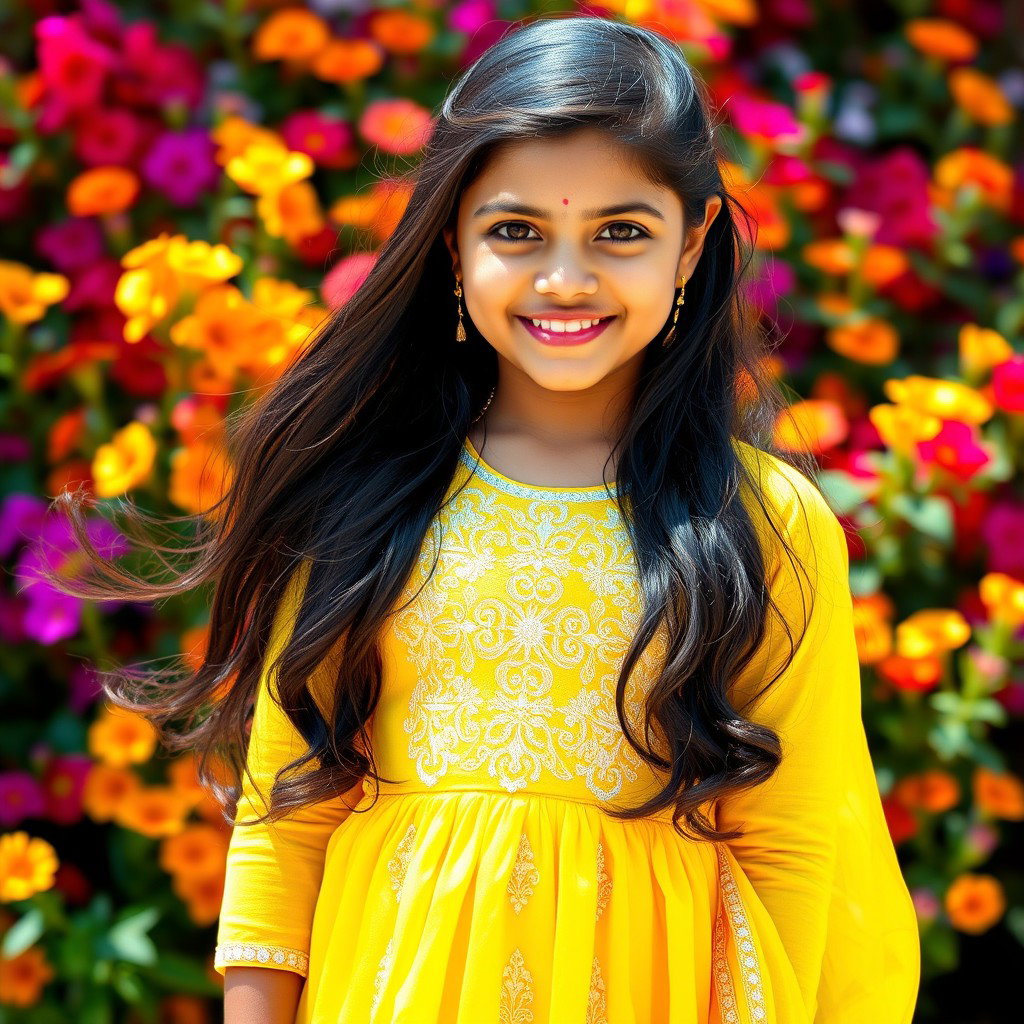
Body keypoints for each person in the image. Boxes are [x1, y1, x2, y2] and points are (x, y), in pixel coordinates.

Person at [56, 13, 921, 1024]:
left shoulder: (762, 524)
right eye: (516, 230)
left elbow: (794, 843)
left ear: (690, 247)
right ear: (451, 245)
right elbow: (287, 817)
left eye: (620, 233)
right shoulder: (367, 498)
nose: (565, 277)